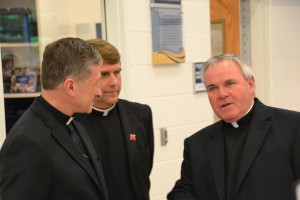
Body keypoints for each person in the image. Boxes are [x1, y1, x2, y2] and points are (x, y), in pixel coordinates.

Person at [167, 53, 300, 200]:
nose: (221, 94)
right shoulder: (196, 143)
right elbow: (182, 190)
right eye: (212, 88)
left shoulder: (292, 127)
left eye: (229, 83)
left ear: (250, 84)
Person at [0, 37, 109, 200]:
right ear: (71, 86)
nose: (99, 92)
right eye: (95, 84)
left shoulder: (75, 124)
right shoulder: (26, 143)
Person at [75, 39, 154, 200]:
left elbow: (144, 170)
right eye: (104, 74)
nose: (114, 82)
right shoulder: (71, 123)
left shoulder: (140, 114)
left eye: (117, 72)